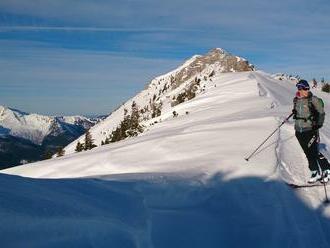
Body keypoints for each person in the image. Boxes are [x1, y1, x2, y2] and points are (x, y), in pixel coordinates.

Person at [293, 79, 330, 183]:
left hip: (310, 130)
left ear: (307, 88)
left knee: (314, 152)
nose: (301, 90)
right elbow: (298, 112)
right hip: (299, 130)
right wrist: (294, 112)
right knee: (307, 152)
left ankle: (327, 169)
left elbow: (321, 113)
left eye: (303, 88)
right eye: (299, 88)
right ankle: (315, 171)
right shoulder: (296, 100)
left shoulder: (313, 100)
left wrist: (318, 124)